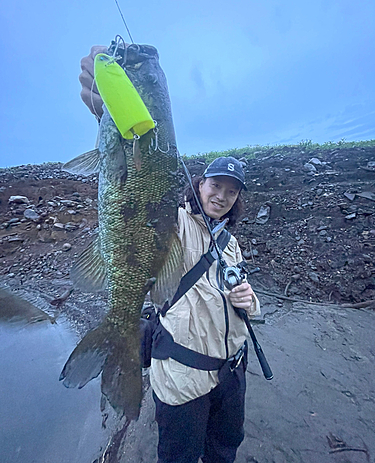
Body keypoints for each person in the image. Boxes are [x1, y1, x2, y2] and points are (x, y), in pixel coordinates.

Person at [79, 46, 261, 463]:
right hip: (183, 378)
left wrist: (250, 300)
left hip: (232, 373)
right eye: (215, 185)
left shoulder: (229, 244)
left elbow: (238, 291)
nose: (222, 196)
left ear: (237, 202)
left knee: (223, 450)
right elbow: (138, 167)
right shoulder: (175, 222)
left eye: (231, 192)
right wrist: (105, 102)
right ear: (198, 186)